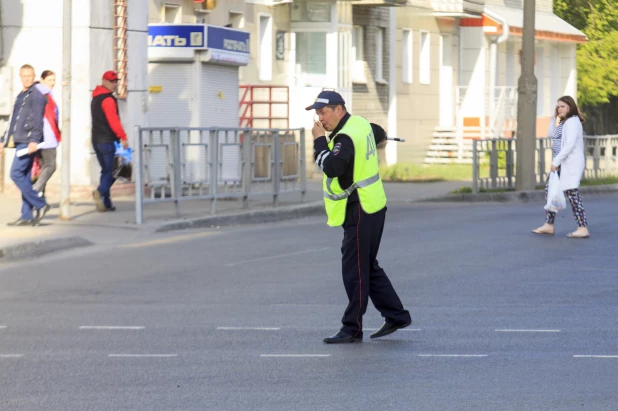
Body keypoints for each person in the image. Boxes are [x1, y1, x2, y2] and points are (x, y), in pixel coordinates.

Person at [307, 90, 412, 344]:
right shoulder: (360, 123)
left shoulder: (344, 137)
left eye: (324, 112)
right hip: (374, 205)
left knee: (354, 271)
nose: (320, 119)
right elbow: (377, 132)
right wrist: (383, 136)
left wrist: (319, 141)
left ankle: (352, 328)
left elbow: (332, 167)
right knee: (367, 265)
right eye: (317, 114)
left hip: (361, 209)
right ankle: (396, 315)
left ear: (339, 109)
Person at [532, 95, 589, 238]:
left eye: (562, 106)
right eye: (558, 106)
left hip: (569, 164)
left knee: (573, 195)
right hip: (561, 163)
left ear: (570, 107)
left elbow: (569, 145)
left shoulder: (573, 122)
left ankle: (582, 227)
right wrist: (553, 118)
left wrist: (556, 162)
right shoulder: (564, 122)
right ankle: (548, 225)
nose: (559, 109)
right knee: (551, 192)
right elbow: (551, 134)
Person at [0, 64, 50, 226]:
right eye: (24, 76)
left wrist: (34, 140)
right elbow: (14, 121)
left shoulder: (36, 95)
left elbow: (37, 119)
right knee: (26, 177)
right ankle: (27, 215)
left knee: (15, 174)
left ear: (34, 75)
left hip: (28, 142)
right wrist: (3, 140)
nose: (27, 78)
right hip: (20, 141)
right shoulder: (22, 95)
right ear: (20, 77)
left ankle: (40, 204)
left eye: (30, 75)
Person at [91, 70, 129, 212]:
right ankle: (100, 191)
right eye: (112, 81)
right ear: (104, 81)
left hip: (97, 140)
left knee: (106, 171)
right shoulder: (107, 99)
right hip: (108, 141)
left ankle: (106, 203)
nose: (115, 84)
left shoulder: (95, 97)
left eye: (116, 81)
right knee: (114, 171)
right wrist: (123, 137)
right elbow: (114, 121)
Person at [32, 70, 61, 198]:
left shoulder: (41, 93)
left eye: (54, 80)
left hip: (42, 136)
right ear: (42, 80)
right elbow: (51, 117)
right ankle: (35, 190)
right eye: (50, 80)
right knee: (51, 166)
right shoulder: (44, 94)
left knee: (43, 167)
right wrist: (57, 133)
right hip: (47, 137)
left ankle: (40, 197)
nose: (53, 83)